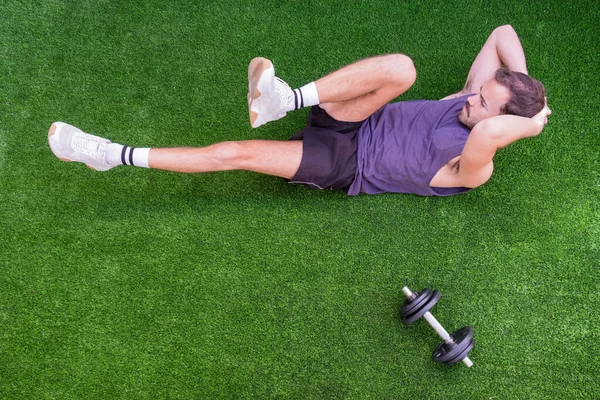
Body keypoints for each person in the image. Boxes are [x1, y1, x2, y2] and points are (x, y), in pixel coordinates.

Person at [48, 25, 551, 196]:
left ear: (504, 127)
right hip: (355, 120)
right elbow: (501, 33)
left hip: (345, 166)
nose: (468, 97)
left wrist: (529, 123)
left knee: (234, 152)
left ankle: (111, 154)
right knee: (402, 68)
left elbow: (494, 133)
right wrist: (523, 88)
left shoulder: (472, 167)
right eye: (478, 91)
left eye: (481, 103)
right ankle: (284, 99)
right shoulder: (465, 103)